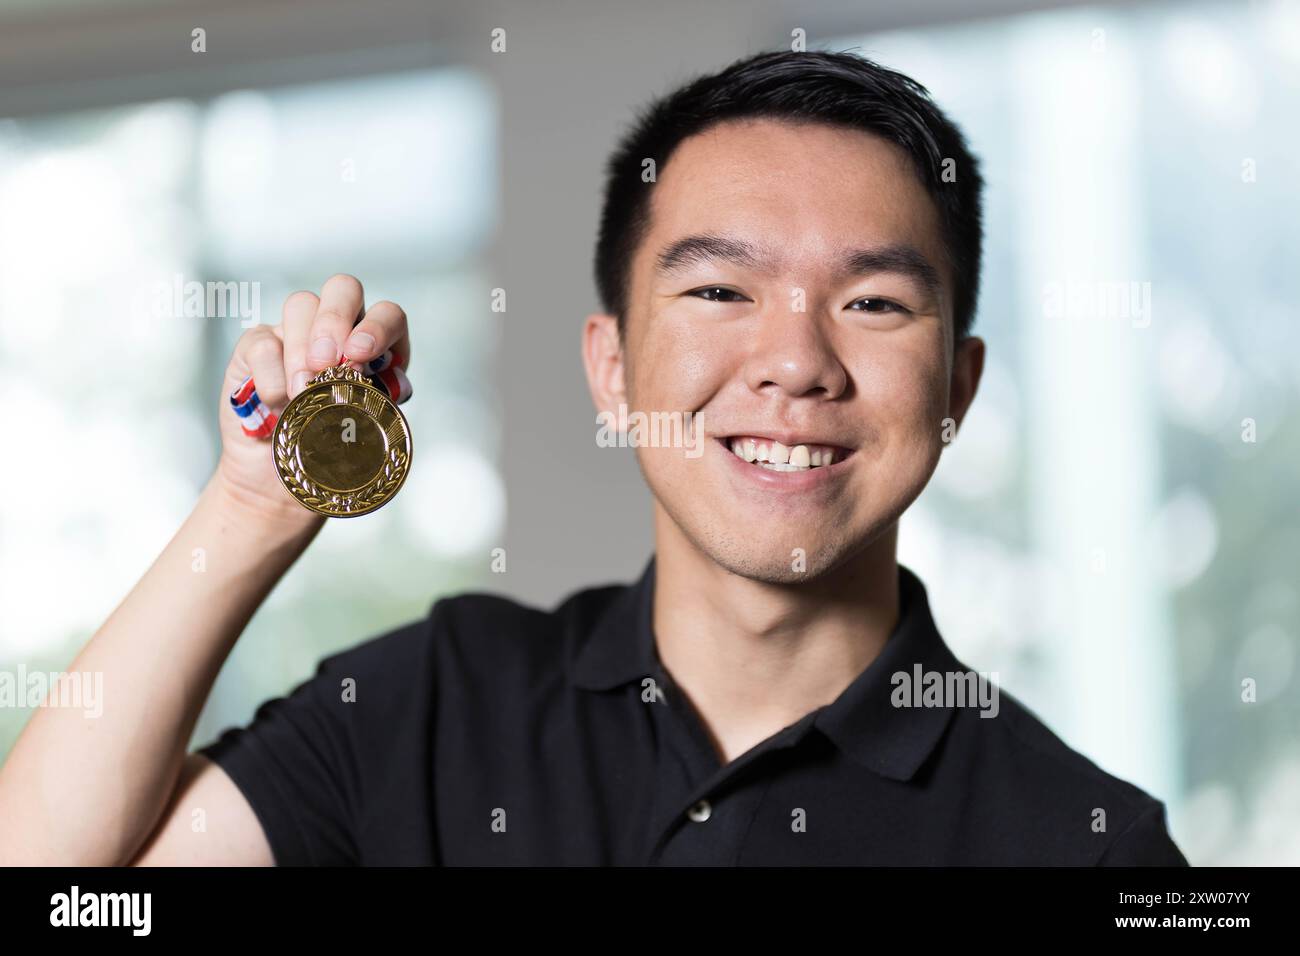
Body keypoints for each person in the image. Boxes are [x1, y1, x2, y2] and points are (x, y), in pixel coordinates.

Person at [0, 49, 1187, 866]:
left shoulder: (1088, 842)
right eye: (720, 288)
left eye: (873, 303)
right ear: (611, 369)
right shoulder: (431, 704)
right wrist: (254, 503)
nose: (794, 361)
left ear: (956, 390)